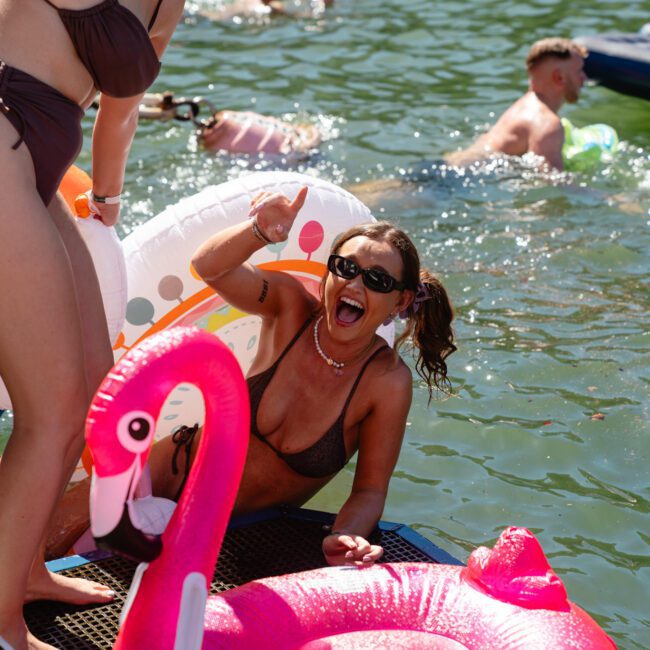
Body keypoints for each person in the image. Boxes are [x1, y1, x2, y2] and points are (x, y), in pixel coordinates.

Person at [47, 186, 456, 568]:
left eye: (377, 279)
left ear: (400, 300)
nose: (354, 282)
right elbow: (210, 267)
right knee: (41, 545)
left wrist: (347, 536)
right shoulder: (290, 308)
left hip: (236, 535)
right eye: (344, 267)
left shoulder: (385, 382)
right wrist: (261, 230)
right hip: (165, 474)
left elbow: (369, 491)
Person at [0, 1, 185, 648]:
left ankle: (22, 569)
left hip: (39, 170)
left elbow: (122, 109)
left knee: (90, 393)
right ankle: (0, 627)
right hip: (2, 137)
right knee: (49, 412)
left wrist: (107, 198)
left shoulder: (172, 1)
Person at [446, 37, 588, 170]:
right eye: (579, 71)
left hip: (451, 165)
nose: (584, 77)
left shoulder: (524, 106)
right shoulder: (547, 124)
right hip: (457, 182)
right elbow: (553, 182)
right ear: (559, 78)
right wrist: (604, 196)